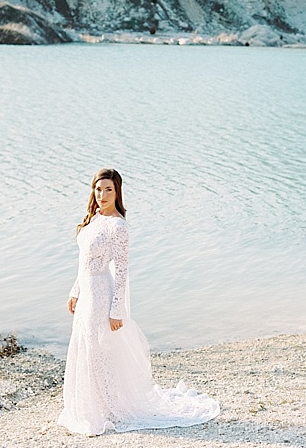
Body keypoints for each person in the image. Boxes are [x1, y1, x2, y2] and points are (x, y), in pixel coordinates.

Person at [57, 168, 220, 436]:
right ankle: (91, 406)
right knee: (86, 346)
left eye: (108, 190)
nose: (102, 195)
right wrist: (74, 291)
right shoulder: (94, 219)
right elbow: (83, 263)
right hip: (86, 294)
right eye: (98, 189)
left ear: (118, 192)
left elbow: (121, 272)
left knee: (101, 350)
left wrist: (116, 309)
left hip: (101, 294)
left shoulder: (118, 226)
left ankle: (109, 408)